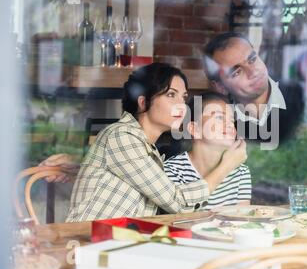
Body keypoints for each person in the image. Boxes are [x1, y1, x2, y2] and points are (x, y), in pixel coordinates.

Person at [66, 63, 247, 222]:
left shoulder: (147, 150)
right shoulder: (122, 136)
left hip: (122, 244)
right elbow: (179, 203)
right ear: (143, 102)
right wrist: (227, 165)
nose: (181, 106)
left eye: (183, 98)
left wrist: (75, 166)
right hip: (88, 243)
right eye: (170, 95)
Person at [164, 92, 251, 210]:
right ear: (194, 129)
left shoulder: (241, 173)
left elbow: (242, 222)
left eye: (231, 120)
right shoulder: (171, 170)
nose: (230, 125)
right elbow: (177, 215)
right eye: (220, 117)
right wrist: (226, 167)